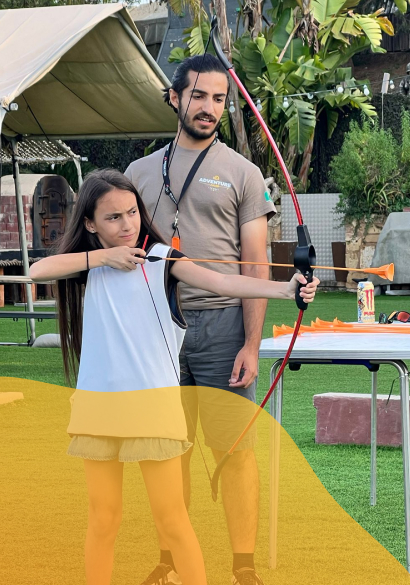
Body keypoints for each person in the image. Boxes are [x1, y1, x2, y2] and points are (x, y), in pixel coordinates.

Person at [29, 169, 318, 585]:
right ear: (90, 224)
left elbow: (221, 281)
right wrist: (102, 258)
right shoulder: (89, 266)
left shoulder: (162, 259)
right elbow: (38, 270)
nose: (127, 224)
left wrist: (286, 290)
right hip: (97, 406)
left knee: (172, 519)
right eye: (113, 217)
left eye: (132, 212)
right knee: (103, 518)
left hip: (153, 406)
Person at [124, 54, 292, 585]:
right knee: (168, 453)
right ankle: (171, 563)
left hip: (223, 329)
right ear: (174, 98)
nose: (209, 107)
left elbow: (255, 263)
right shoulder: (137, 174)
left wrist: (251, 344)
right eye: (198, 96)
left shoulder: (243, 173)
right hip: (158, 331)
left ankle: (243, 567)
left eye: (219, 98)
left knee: (234, 451)